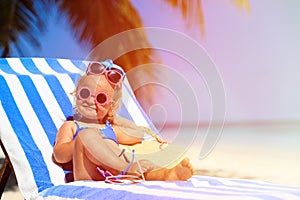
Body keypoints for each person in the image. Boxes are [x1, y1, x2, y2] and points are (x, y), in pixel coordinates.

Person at [52, 59, 194, 182]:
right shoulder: (72, 125)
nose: (90, 100)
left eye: (100, 98)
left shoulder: (109, 127)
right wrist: (83, 141)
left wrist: (112, 117)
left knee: (141, 163)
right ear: (76, 94)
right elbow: (59, 154)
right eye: (85, 93)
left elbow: (137, 134)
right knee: (87, 136)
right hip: (89, 174)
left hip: (117, 172)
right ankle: (126, 170)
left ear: (110, 106)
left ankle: (165, 175)